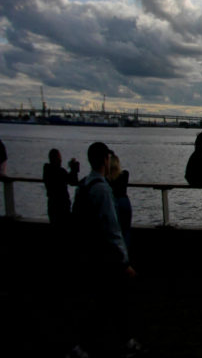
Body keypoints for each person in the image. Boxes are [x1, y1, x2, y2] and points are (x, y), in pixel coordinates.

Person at [71, 142, 137, 356]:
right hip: (106, 257)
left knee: (98, 301)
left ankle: (85, 346)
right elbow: (112, 228)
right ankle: (124, 344)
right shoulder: (102, 189)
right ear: (106, 160)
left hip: (89, 254)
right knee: (114, 301)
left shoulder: (84, 185)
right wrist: (124, 261)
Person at [43, 148, 80, 226]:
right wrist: (74, 169)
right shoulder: (60, 172)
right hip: (62, 208)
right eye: (59, 158)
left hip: (52, 206)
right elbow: (73, 182)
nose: (61, 160)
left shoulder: (47, 171)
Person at [106, 152, 132, 251]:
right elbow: (125, 172)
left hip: (113, 203)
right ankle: (126, 252)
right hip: (124, 202)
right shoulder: (124, 175)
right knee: (126, 230)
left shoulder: (107, 180)